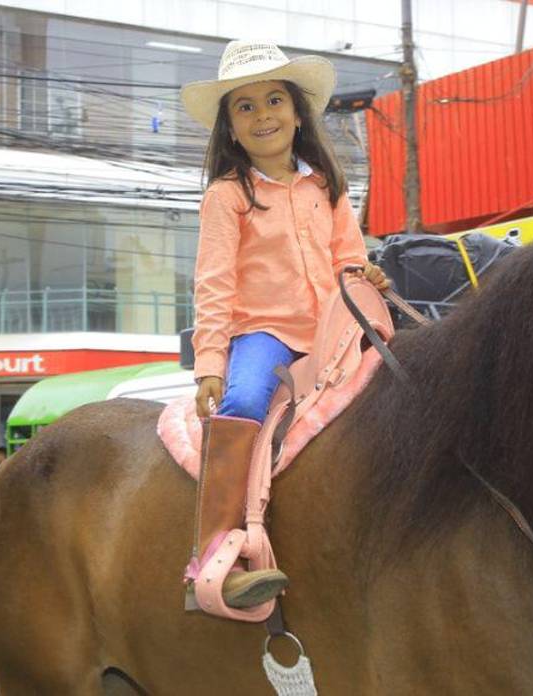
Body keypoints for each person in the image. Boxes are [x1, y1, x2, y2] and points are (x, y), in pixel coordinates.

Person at [178, 41, 390, 609]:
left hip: (333, 332)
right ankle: (215, 559)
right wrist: (210, 368)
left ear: (298, 113)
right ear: (230, 127)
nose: (263, 114)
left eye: (275, 100)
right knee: (245, 402)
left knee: (400, 386)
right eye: (245, 107)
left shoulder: (325, 185)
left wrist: (366, 273)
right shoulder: (227, 196)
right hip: (264, 334)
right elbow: (214, 284)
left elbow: (347, 259)